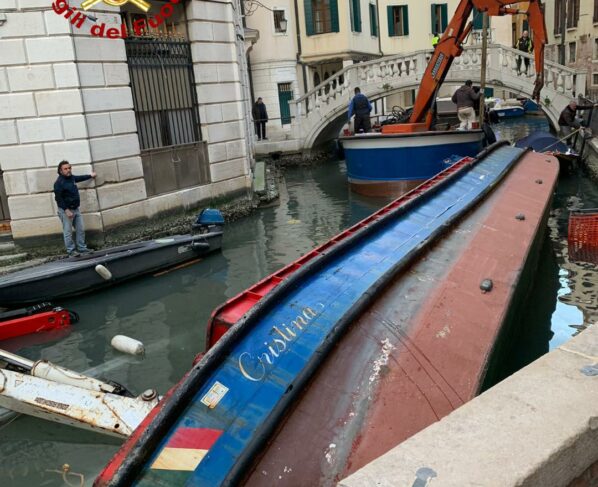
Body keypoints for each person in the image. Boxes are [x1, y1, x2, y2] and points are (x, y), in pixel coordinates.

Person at [53, 160, 96, 256]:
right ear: (60, 171)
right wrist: (66, 210)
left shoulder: (71, 178)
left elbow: (79, 178)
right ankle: (71, 251)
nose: (68, 170)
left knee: (80, 230)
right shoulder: (58, 183)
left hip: (76, 209)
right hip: (66, 211)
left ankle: (82, 248)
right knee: (68, 232)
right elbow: (58, 199)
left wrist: (90, 175)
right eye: (65, 169)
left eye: (69, 168)